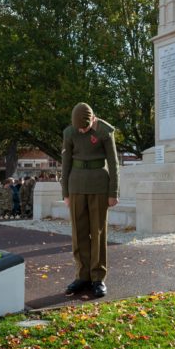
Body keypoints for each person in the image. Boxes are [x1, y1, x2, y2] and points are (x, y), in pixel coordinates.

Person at [61, 103, 119, 298]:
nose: (81, 130)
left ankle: (97, 277)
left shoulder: (105, 131)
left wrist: (114, 192)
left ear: (92, 118)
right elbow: (65, 163)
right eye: (78, 127)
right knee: (79, 232)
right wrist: (65, 193)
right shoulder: (69, 133)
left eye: (84, 127)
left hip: (99, 186)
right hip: (76, 185)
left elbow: (113, 162)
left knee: (98, 232)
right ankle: (82, 275)